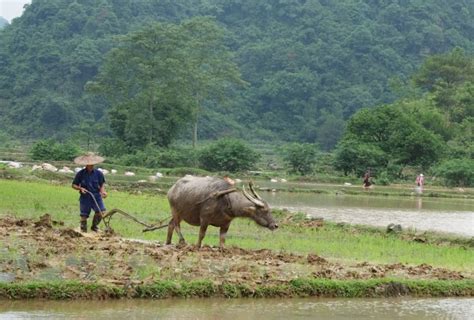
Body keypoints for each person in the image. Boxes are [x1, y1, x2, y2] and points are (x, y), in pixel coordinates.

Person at [72, 152, 107, 232]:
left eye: (92, 163)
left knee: (101, 212)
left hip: (96, 196)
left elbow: (101, 184)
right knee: (84, 216)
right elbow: (74, 185)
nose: (90, 165)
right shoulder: (80, 174)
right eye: (89, 163)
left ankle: (94, 226)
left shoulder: (99, 174)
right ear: (86, 164)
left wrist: (103, 192)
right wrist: (80, 188)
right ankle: (83, 231)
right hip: (85, 196)